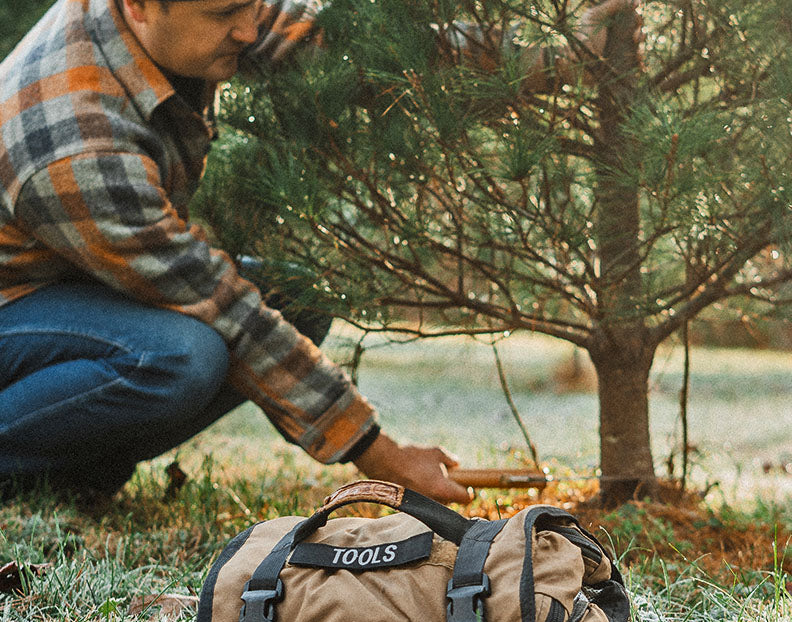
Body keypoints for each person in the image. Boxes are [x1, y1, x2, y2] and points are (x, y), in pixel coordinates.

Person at [0, 0, 639, 504]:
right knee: (181, 355)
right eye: (225, 15)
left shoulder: (177, 19)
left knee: (294, 301)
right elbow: (217, 304)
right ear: (139, 6)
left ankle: (65, 471)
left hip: (61, 283)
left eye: (250, 5)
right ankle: (35, 472)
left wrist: (549, 59)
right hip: (13, 306)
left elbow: (355, 50)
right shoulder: (76, 137)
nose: (250, 30)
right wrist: (383, 456)